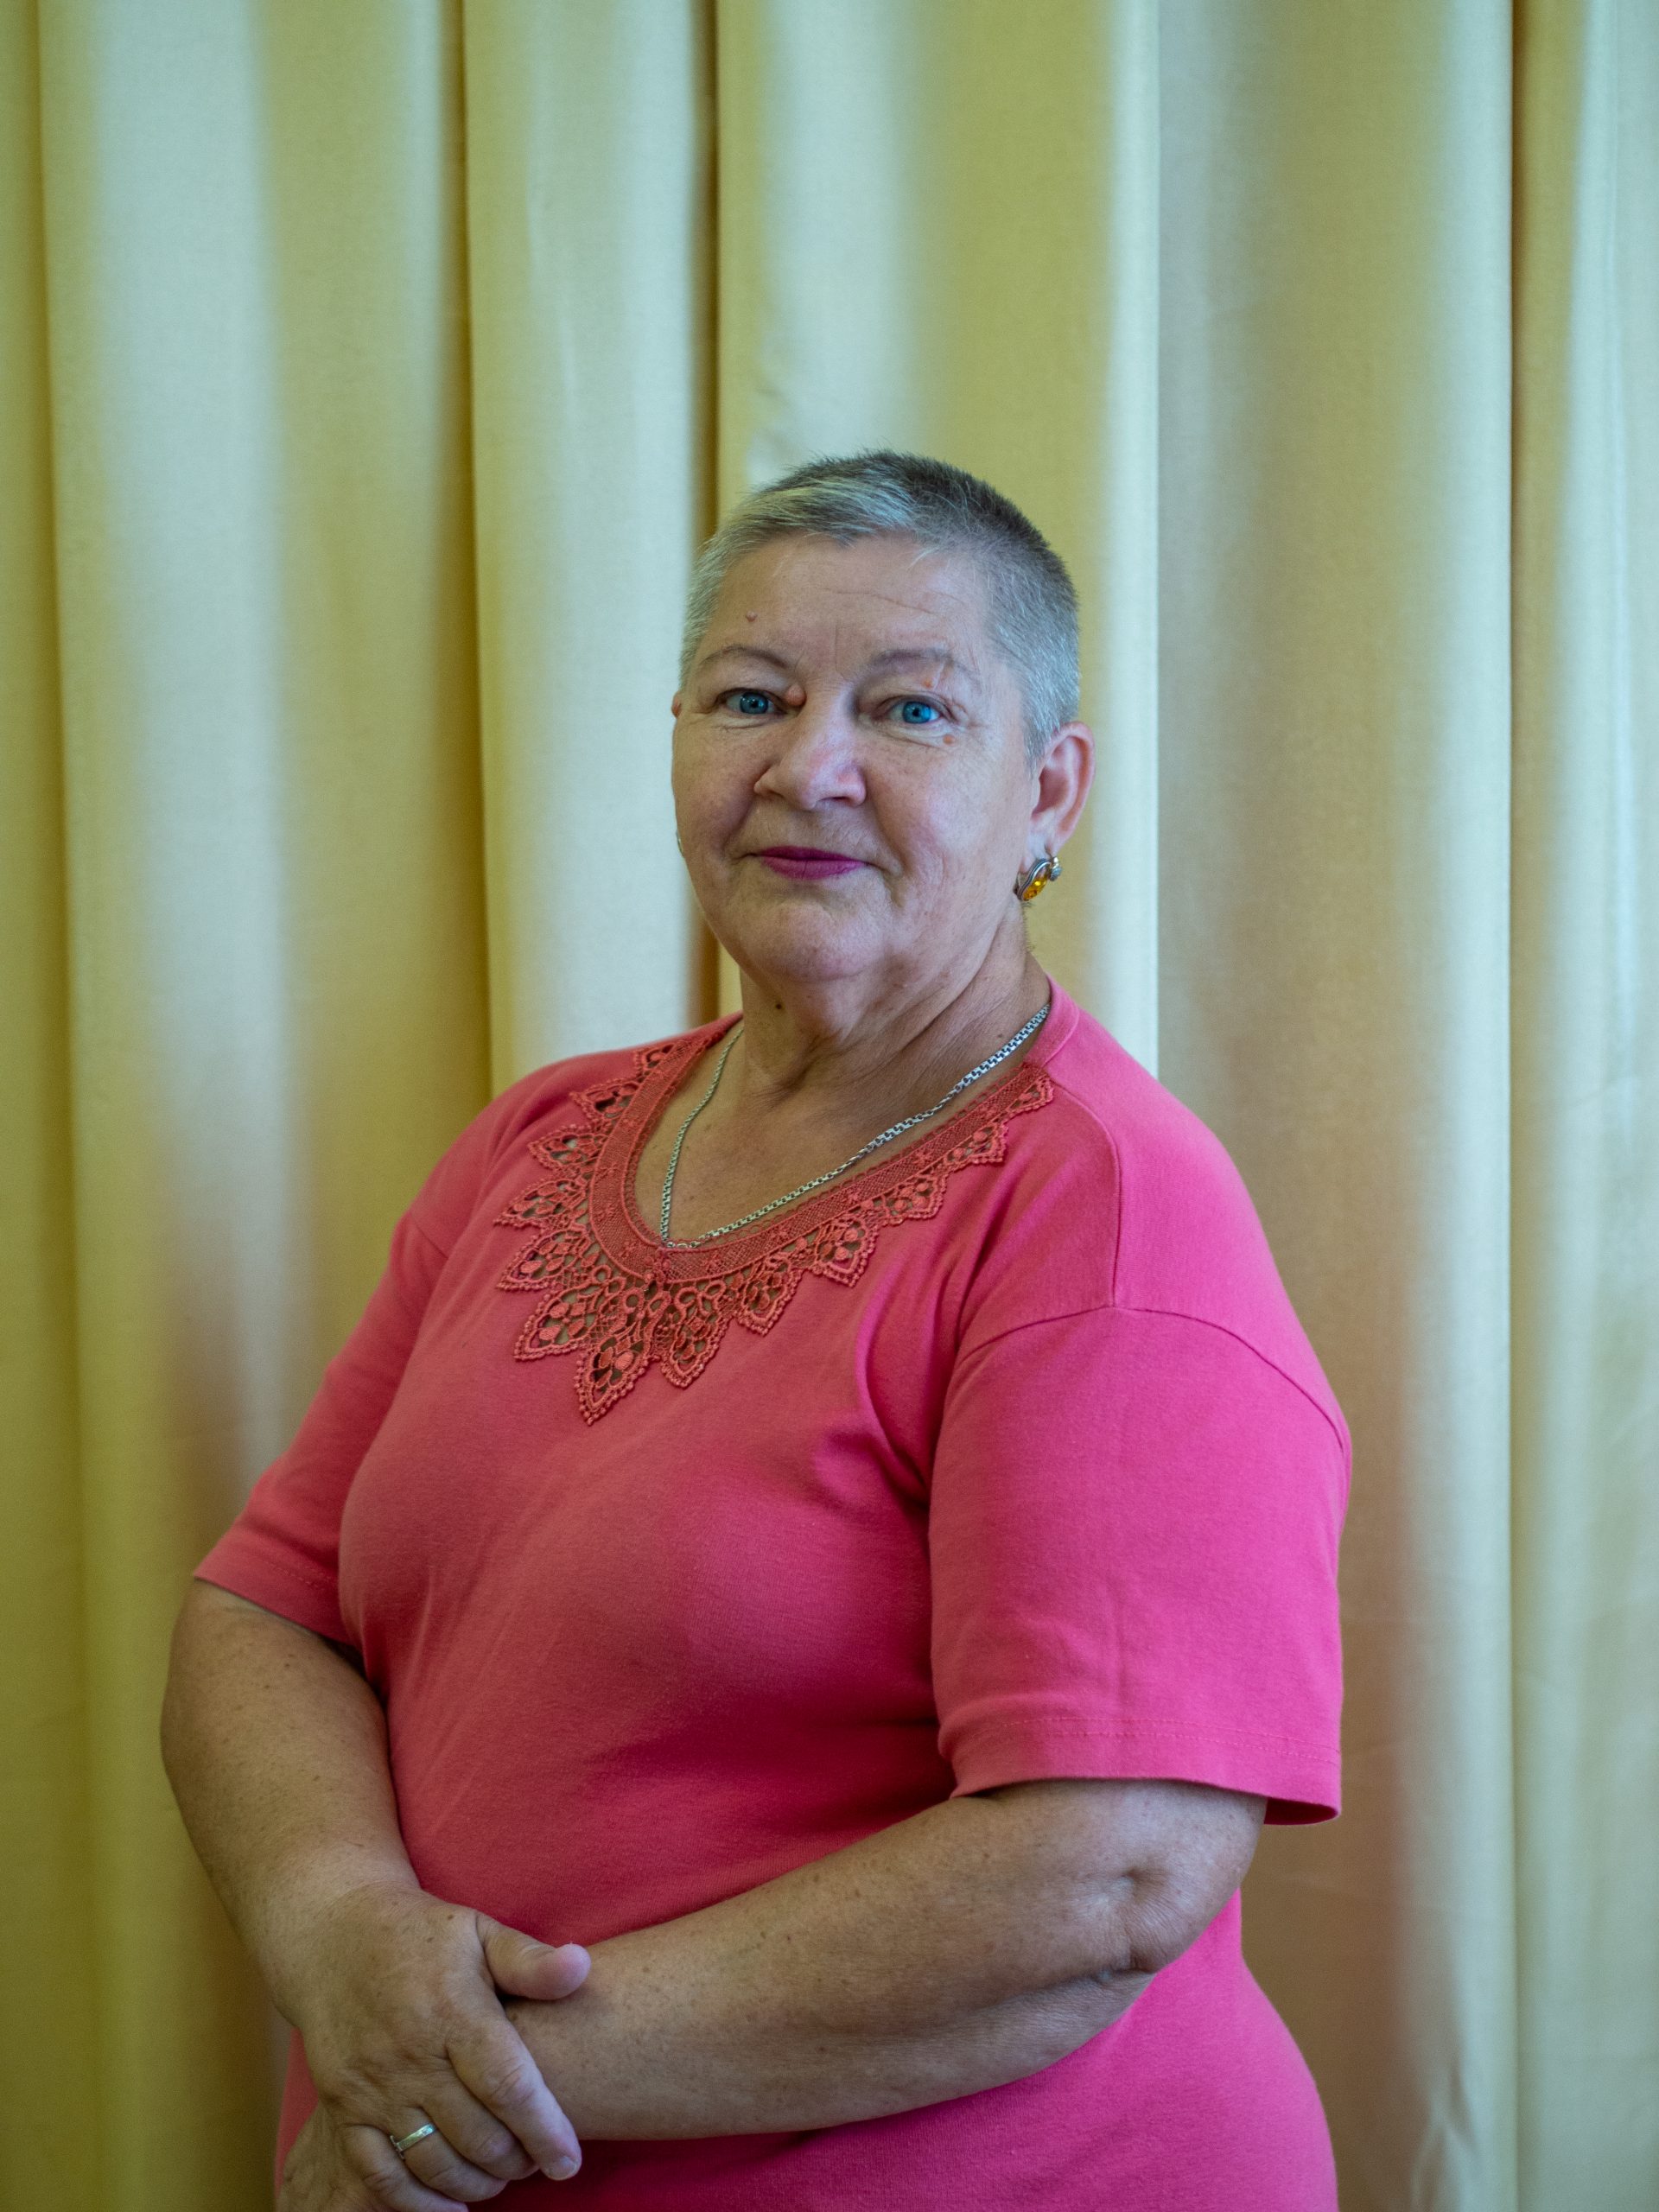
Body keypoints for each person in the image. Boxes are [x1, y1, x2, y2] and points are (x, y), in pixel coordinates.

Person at [162, 448, 1351, 2211]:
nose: (810, 765)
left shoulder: (1109, 1209)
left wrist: (441, 2093)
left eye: (911, 708)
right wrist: (340, 1929)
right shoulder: (542, 1137)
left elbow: (1106, 1875)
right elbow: (268, 1609)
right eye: (751, 696)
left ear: (1050, 792)